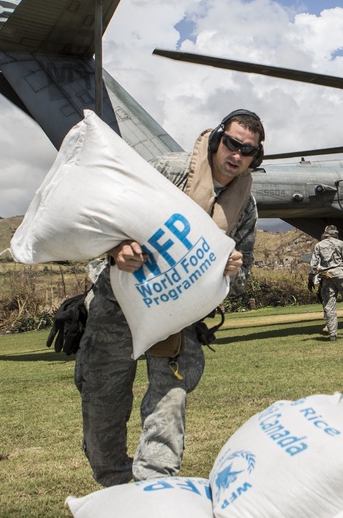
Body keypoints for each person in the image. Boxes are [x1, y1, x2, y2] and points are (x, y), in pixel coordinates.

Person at [74, 109, 264, 486]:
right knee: (102, 401)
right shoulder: (169, 172)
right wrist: (117, 250)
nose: (237, 155)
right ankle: (114, 483)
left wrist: (232, 270)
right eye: (232, 143)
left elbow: (243, 277)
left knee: (169, 400)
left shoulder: (245, 206)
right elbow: (105, 216)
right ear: (216, 140)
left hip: (176, 316)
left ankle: (154, 487)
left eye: (248, 152)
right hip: (118, 307)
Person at [308, 224, 343, 341]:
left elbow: (313, 263)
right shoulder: (341, 244)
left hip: (327, 277)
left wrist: (310, 278)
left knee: (329, 306)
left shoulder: (319, 245)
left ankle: (332, 333)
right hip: (341, 275)